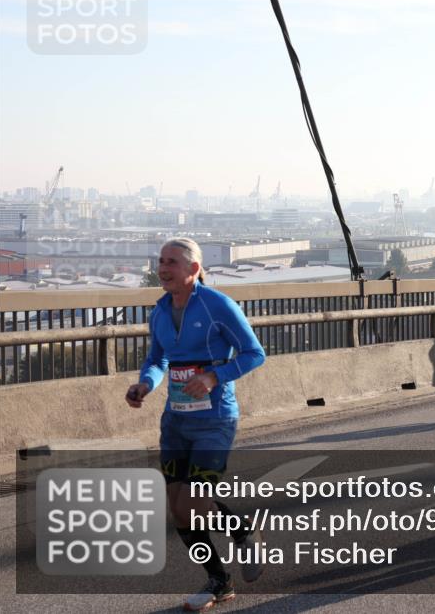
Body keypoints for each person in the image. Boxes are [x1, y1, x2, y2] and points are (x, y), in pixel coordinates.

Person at [125, 238, 266, 610]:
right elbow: (157, 359)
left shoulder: (217, 305)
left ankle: (238, 542)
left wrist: (214, 377)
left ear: (193, 268)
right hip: (175, 421)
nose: (162, 268)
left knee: (192, 503)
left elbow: (255, 353)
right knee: (178, 508)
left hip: (214, 420)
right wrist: (145, 384)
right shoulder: (159, 311)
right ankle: (221, 577)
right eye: (160, 261)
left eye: (171, 261)